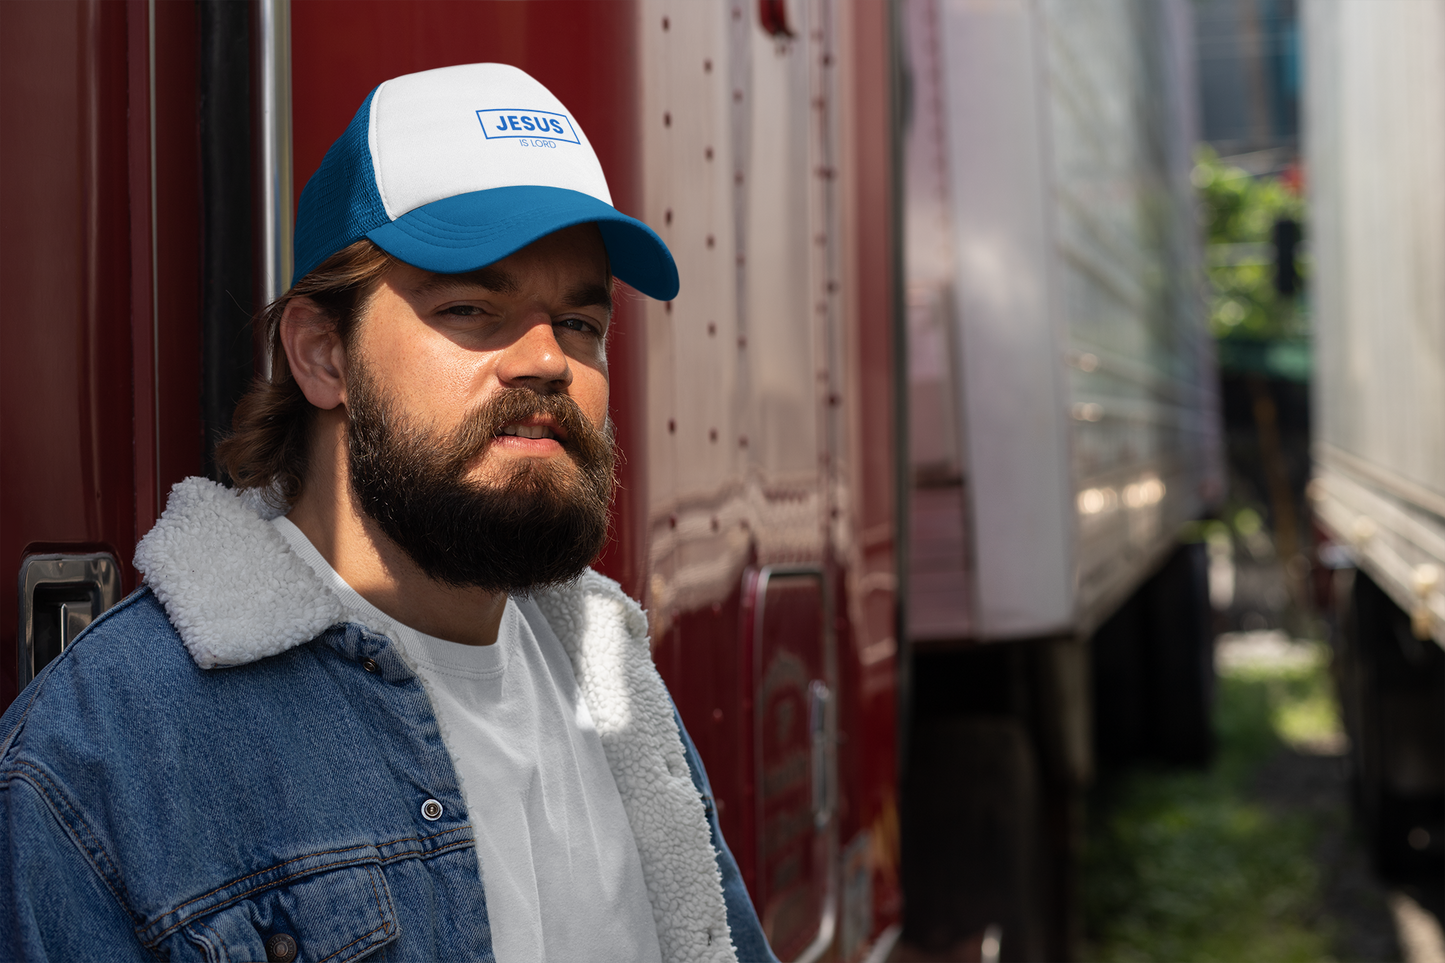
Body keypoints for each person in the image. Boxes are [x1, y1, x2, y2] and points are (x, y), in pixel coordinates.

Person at [0, 63, 774, 963]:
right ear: (321, 355)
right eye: (472, 308)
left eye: (579, 323)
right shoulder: (106, 758)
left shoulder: (612, 682)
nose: (547, 360)